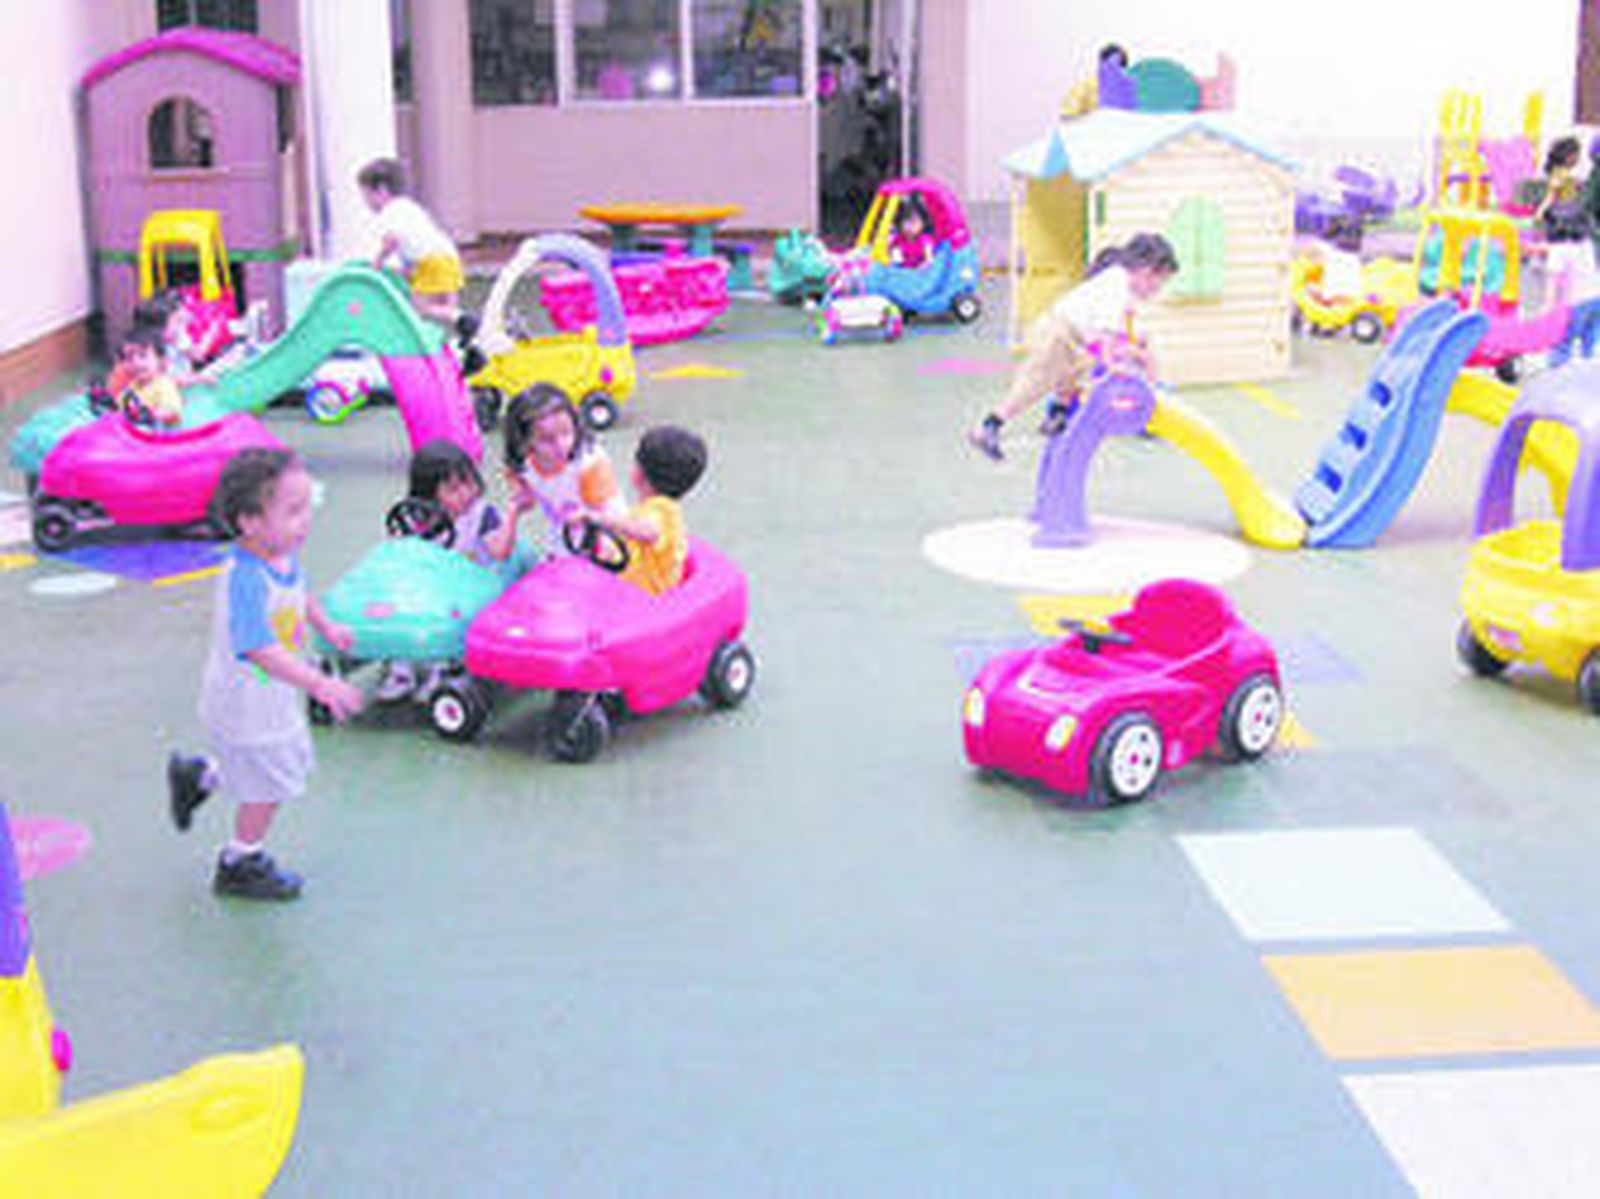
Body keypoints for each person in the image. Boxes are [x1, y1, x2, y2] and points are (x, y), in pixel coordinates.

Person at [166, 448, 364, 901]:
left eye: (305, 507)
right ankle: (240, 859)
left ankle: (199, 776)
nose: (305, 521)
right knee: (267, 786)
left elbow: (298, 590)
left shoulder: (280, 553)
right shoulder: (245, 578)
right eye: (293, 511)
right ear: (249, 522)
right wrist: (318, 683)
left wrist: (327, 625)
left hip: (269, 697)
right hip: (246, 703)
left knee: (264, 770)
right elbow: (258, 647)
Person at [967, 232, 1178, 461]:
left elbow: (1111, 334)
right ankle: (989, 425)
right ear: (1145, 271)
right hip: (1059, 331)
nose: (1158, 290)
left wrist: (1133, 350)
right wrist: (1113, 364)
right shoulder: (1117, 285)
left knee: (1076, 373)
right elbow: (1106, 335)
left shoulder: (1123, 289)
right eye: (1159, 282)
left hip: (1075, 337)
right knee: (1036, 382)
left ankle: (1056, 416)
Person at [374, 439, 506, 702]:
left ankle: (441, 671)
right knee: (398, 606)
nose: (466, 493)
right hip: (426, 586)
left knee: (444, 614)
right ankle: (402, 670)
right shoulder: (415, 517)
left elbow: (498, 551)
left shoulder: (483, 515)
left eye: (470, 482)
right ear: (428, 494)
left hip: (469, 589)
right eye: (454, 489)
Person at [497, 384, 626, 559]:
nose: (561, 445)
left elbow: (606, 515)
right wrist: (521, 495)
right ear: (524, 442)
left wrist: (603, 552)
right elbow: (517, 480)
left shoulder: (589, 463)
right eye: (546, 440)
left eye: (566, 432)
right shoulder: (522, 464)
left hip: (606, 526)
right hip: (564, 529)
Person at [356, 157, 471, 335]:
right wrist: (407, 270)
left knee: (420, 309)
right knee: (446, 309)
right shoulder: (409, 207)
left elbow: (391, 242)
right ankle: (458, 333)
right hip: (449, 256)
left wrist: (376, 264)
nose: (366, 202)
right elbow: (415, 241)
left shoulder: (389, 213)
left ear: (382, 190)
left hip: (431, 261)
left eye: (367, 195)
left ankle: (462, 318)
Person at [590, 425, 708, 595]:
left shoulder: (661, 509)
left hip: (644, 603)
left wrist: (601, 518)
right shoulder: (658, 509)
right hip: (634, 590)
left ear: (638, 474)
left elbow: (648, 531)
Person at [111, 324, 185, 427]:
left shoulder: (164, 385)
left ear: (161, 361)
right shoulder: (133, 386)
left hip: (162, 437)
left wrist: (153, 413)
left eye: (143, 355)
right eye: (129, 358)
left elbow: (172, 412)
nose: (136, 363)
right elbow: (119, 406)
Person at [889, 202, 935, 269]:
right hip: (903, 272)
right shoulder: (898, 239)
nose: (909, 226)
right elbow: (892, 252)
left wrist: (925, 265)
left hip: (920, 273)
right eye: (906, 221)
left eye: (914, 222)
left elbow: (929, 260)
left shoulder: (924, 239)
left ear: (922, 224)